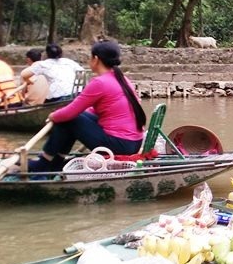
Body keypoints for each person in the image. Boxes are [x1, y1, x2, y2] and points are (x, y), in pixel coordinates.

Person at [28, 40, 145, 172]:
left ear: (95, 59)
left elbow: (70, 112)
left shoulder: (100, 82)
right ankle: (56, 160)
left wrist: (53, 115)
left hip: (121, 145)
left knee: (69, 118)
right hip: (134, 143)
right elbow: (92, 110)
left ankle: (44, 162)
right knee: (74, 116)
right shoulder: (122, 78)